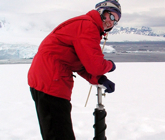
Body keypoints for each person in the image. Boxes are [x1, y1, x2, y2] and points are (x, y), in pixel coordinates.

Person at [28, 0, 121, 139]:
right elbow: (95, 66)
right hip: (51, 81)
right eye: (112, 16)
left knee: (55, 132)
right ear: (102, 12)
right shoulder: (88, 26)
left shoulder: (85, 24)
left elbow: (80, 64)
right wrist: (110, 65)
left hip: (47, 79)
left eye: (116, 21)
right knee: (59, 135)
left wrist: (99, 78)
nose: (111, 22)